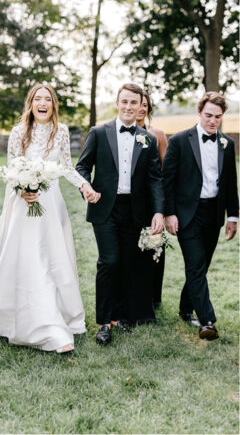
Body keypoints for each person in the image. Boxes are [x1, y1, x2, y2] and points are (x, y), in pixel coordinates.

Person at [0, 84, 93, 353]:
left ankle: (55, 317)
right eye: (37, 99)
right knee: (30, 257)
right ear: (30, 104)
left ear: (53, 105)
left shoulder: (61, 131)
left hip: (52, 205)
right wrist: (22, 189)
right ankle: (40, 324)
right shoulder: (19, 132)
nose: (43, 103)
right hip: (23, 205)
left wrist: (84, 186)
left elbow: (66, 166)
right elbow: (11, 168)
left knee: (52, 256)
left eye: (48, 99)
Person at [75, 83, 164, 346]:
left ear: (140, 107)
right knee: (109, 261)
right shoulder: (99, 133)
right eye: (124, 102)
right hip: (105, 208)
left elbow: (155, 179)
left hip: (135, 210)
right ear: (117, 103)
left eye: (134, 103)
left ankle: (119, 318)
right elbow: (82, 167)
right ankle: (103, 321)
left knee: (127, 263)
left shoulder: (147, 138)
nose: (128, 107)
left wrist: (158, 211)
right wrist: (86, 186)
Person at [163, 92, 239, 340]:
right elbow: (168, 181)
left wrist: (233, 216)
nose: (213, 121)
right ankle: (207, 320)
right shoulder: (180, 141)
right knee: (195, 265)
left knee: (201, 266)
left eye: (218, 117)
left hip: (214, 214)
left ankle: (186, 308)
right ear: (199, 113)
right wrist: (169, 213)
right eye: (208, 115)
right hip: (187, 215)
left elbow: (230, 183)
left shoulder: (227, 144)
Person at [136, 90, 169, 312]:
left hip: (152, 199)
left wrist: (162, 206)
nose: (140, 108)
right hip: (131, 198)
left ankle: (153, 296)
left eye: (145, 105)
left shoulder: (157, 134)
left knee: (154, 245)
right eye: (138, 104)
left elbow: (164, 170)